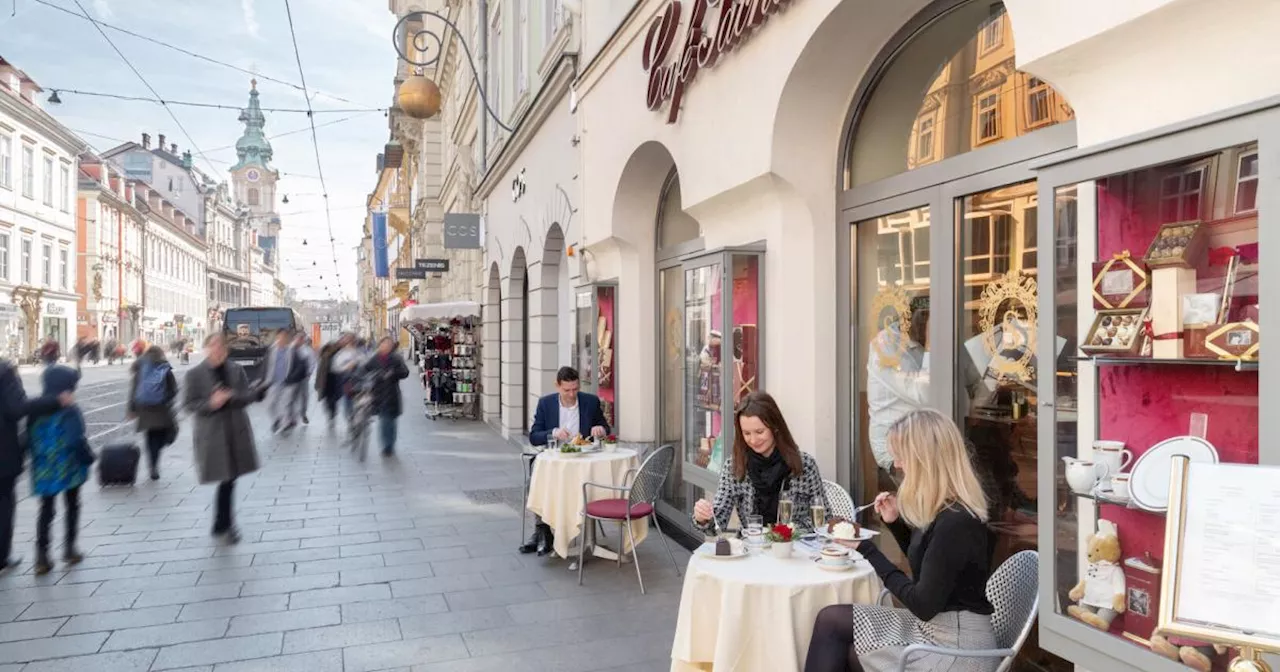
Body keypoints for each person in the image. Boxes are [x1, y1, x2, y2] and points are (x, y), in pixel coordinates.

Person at [804, 409, 996, 672]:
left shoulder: (956, 523)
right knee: (831, 621)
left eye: (901, 456)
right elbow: (932, 569)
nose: (897, 465)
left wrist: (867, 549)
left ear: (924, 459)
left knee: (846, 646)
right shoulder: (944, 510)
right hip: (936, 626)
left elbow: (923, 604)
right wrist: (895, 524)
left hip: (956, 646)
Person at [691, 390, 824, 535]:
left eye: (759, 432)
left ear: (775, 427)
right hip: (752, 551)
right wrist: (703, 518)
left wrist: (787, 532)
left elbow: (823, 519)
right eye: (747, 433)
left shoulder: (805, 465)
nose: (753, 440)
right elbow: (716, 525)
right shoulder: (734, 467)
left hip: (795, 550)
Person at [522, 366, 611, 555]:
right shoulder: (546, 404)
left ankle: (553, 533)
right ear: (557, 386)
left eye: (575, 389)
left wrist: (600, 430)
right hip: (556, 460)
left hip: (583, 461)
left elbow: (605, 427)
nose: (572, 394)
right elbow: (534, 436)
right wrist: (553, 433)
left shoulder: (590, 402)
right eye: (567, 390)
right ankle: (543, 530)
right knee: (536, 477)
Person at [184, 333, 263, 544]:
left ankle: (223, 525)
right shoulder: (194, 374)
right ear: (206, 349)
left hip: (235, 431)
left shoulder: (236, 370)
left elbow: (248, 396)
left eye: (221, 346)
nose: (218, 349)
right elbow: (189, 404)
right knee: (226, 479)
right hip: (212, 434)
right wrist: (212, 403)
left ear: (226, 350)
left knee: (230, 478)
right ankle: (225, 525)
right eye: (213, 345)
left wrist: (231, 396)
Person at [0, 360, 71, 572]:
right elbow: (16, 409)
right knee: (3, 502)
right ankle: (1, 556)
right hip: (2, 452)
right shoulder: (4, 371)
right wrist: (54, 401)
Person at [27, 364, 90, 575]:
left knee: (46, 510)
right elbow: (76, 438)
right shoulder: (70, 410)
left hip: (44, 469)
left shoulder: (35, 410)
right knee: (72, 505)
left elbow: (27, 438)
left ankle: (41, 556)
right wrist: (88, 457)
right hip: (69, 467)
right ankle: (70, 549)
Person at [128, 345, 179, 481]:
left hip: (144, 409)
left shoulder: (141, 366)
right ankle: (155, 461)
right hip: (161, 408)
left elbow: (134, 389)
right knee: (163, 435)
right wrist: (166, 399)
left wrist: (132, 408)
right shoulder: (163, 366)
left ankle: (152, 467)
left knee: (150, 438)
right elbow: (173, 389)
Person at [360, 337, 410, 456]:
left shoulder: (396, 358)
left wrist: (393, 373)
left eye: (389, 344)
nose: (386, 346)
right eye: (384, 344)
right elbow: (364, 370)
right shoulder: (375, 358)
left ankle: (390, 444)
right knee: (384, 420)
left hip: (392, 394)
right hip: (378, 394)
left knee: (391, 421)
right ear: (380, 345)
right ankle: (386, 446)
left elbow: (405, 372)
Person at [263, 330, 302, 433]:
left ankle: (285, 425)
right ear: (277, 338)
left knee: (285, 404)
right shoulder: (271, 351)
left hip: (288, 382)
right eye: (280, 337)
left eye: (284, 337)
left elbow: (300, 366)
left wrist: (293, 377)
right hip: (273, 382)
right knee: (270, 404)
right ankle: (277, 419)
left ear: (287, 338)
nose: (282, 339)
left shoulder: (292, 351)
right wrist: (263, 380)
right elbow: (265, 365)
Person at [314, 337, 344, 430]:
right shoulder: (324, 356)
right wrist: (317, 383)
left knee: (334, 400)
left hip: (335, 380)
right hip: (326, 381)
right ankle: (330, 414)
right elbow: (320, 370)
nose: (332, 349)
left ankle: (333, 414)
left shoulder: (339, 355)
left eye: (333, 347)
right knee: (327, 400)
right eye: (330, 347)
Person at [291, 333, 316, 425]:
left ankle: (303, 414)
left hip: (303, 377)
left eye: (300, 339)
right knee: (292, 396)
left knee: (304, 396)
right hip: (292, 377)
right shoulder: (290, 349)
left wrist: (309, 373)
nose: (299, 341)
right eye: (297, 339)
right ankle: (291, 415)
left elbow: (312, 362)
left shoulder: (308, 350)